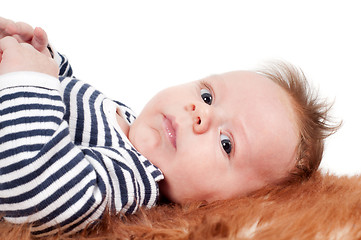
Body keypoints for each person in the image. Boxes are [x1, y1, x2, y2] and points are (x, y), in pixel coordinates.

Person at [0, 17, 338, 237]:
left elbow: (38, 184)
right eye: (207, 95)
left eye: (226, 144)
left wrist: (26, 81)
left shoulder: (132, 176)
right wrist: (39, 58)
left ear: (220, 204)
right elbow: (67, 105)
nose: (199, 113)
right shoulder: (127, 122)